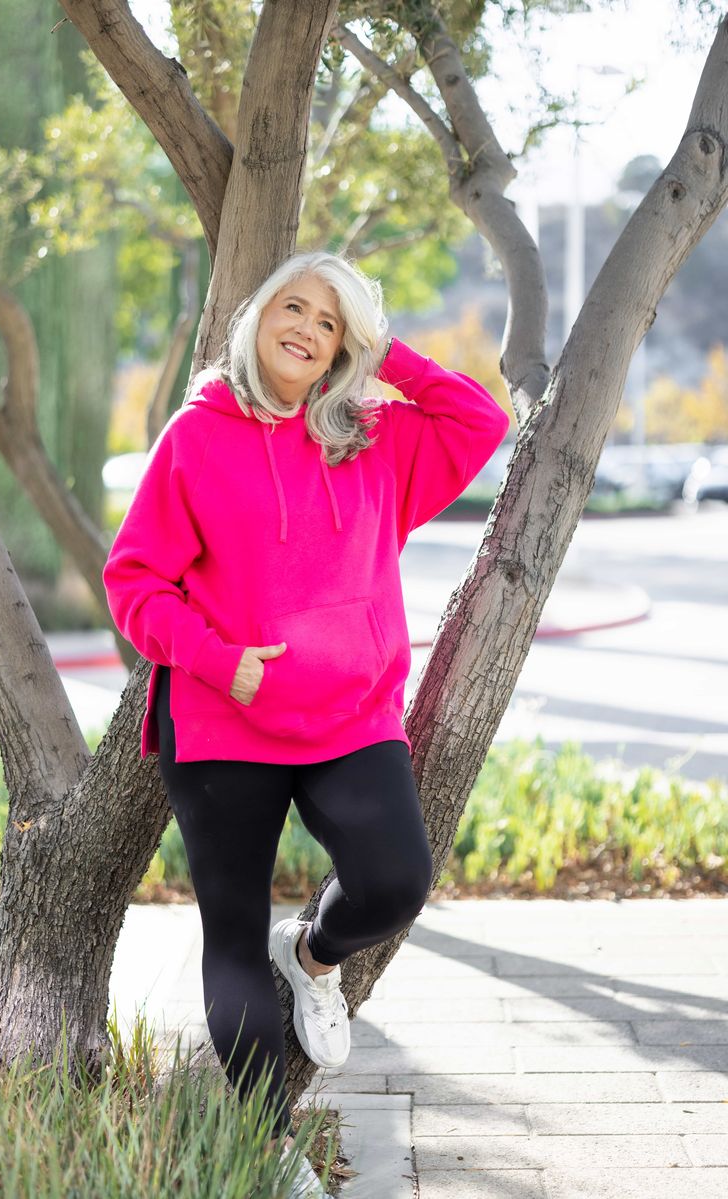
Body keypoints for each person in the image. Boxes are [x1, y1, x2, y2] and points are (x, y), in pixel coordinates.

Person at [102, 249, 510, 1197]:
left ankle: (315, 953)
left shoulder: (368, 434)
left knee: (396, 880)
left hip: (352, 714)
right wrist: (213, 657)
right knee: (233, 936)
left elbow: (480, 419)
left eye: (330, 323)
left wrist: (384, 350)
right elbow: (136, 580)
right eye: (294, 308)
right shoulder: (197, 437)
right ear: (257, 319)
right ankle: (267, 1143)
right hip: (223, 722)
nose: (307, 330)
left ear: (344, 346)